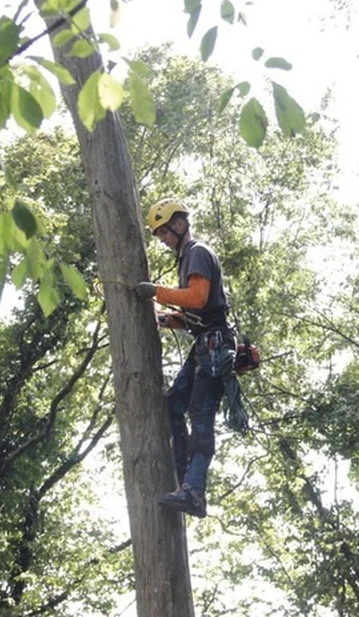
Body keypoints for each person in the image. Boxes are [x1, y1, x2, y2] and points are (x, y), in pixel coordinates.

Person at [135, 198, 245, 518]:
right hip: (202, 345)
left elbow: (197, 297)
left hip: (214, 345)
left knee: (199, 413)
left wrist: (156, 291)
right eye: (158, 235)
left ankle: (195, 491)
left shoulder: (197, 252)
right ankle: (184, 478)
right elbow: (195, 311)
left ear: (180, 224)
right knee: (174, 405)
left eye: (165, 231)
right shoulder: (185, 259)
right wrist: (169, 318)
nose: (163, 239)